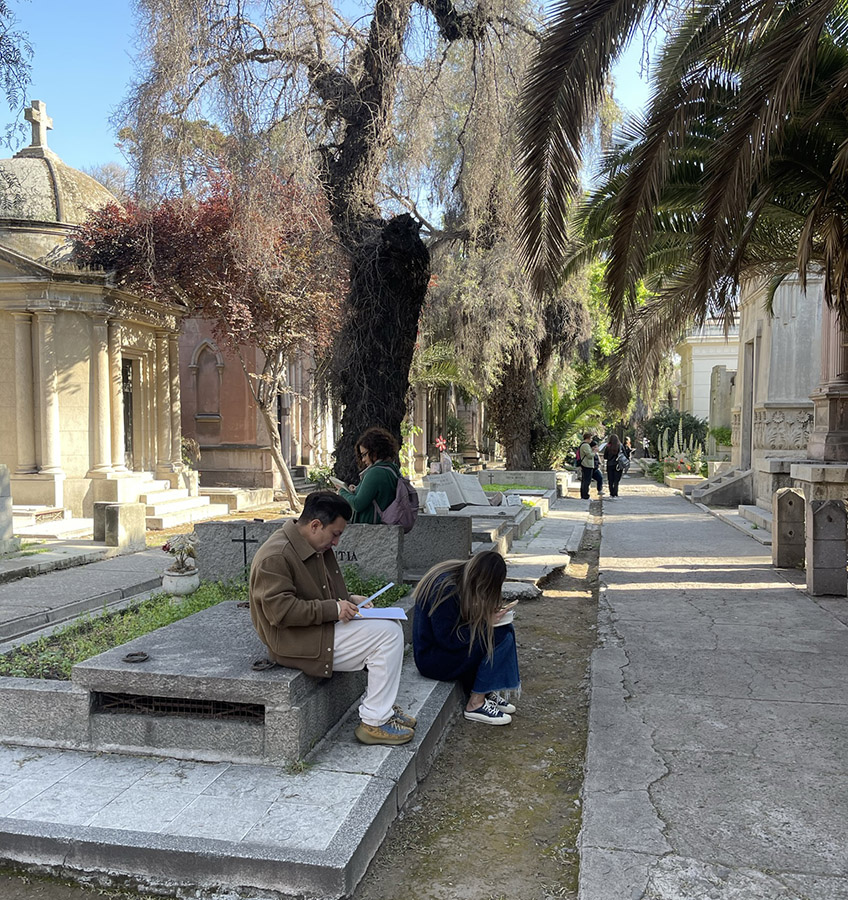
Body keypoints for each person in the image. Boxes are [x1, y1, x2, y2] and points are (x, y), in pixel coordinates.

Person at [249, 490, 416, 746]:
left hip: (313, 629)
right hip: (292, 641)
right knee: (388, 635)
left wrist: (348, 600)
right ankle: (374, 721)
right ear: (315, 525)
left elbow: (321, 594)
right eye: (335, 534)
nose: (336, 542)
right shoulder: (276, 555)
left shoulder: (313, 543)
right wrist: (334, 609)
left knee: (389, 625)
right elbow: (280, 612)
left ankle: (382, 710)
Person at [413, 551, 519, 725]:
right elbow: (448, 639)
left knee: (504, 629)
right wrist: (485, 623)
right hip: (432, 660)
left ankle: (484, 688)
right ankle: (475, 703)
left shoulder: (458, 574)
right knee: (499, 636)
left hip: (440, 651)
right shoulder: (445, 588)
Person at [339, 427, 402, 524]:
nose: (363, 460)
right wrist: (356, 489)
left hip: (371, 527)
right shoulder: (391, 468)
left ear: (375, 451)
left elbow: (357, 504)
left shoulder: (376, 472)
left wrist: (342, 492)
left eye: (364, 454)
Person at [603, 433, 623, 498]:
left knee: (610, 480)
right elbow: (624, 455)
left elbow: (605, 456)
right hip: (618, 465)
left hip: (610, 465)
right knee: (616, 480)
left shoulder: (608, 447)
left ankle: (611, 493)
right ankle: (615, 493)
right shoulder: (620, 446)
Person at [578, 431, 595, 500]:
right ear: (588, 438)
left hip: (585, 464)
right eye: (591, 438)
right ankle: (585, 496)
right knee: (587, 481)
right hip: (587, 464)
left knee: (585, 480)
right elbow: (590, 455)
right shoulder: (585, 445)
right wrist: (594, 452)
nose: (591, 440)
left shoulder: (584, 445)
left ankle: (584, 495)